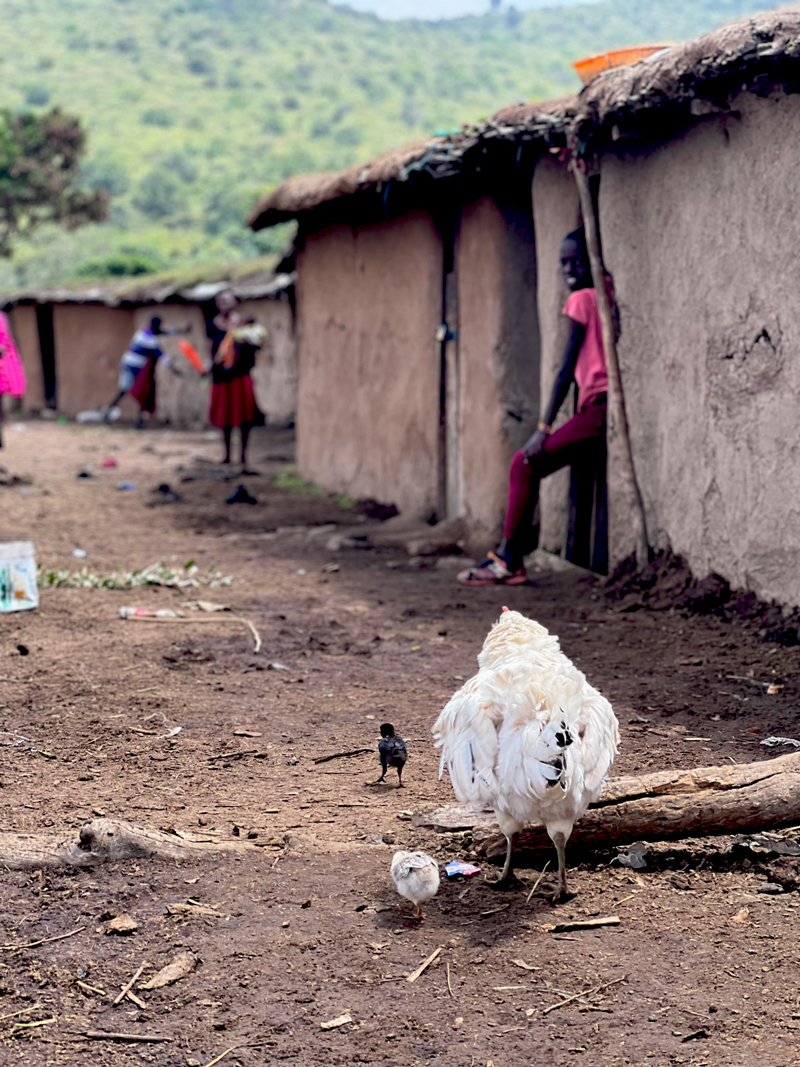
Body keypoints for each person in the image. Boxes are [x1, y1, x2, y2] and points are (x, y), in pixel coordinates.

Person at [458, 228, 614, 587]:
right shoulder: (604, 292)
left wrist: (543, 429)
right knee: (527, 465)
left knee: (523, 462)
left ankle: (508, 560)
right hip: (595, 408)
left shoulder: (580, 300)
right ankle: (508, 555)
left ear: (593, 260)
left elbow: (563, 369)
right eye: (563, 263)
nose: (570, 269)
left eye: (578, 261)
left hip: (597, 410)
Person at [205, 292, 264, 466]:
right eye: (221, 301)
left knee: (245, 417)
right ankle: (227, 455)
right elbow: (210, 349)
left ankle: (243, 456)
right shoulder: (212, 325)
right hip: (222, 377)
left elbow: (258, 343)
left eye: (227, 301)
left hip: (241, 374)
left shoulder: (244, 325)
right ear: (217, 304)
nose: (224, 304)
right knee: (225, 418)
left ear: (234, 303)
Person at [106, 316, 186, 427]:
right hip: (131, 366)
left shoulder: (144, 333)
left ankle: (139, 421)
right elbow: (161, 354)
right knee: (125, 390)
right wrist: (174, 369)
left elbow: (163, 332)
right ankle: (108, 413)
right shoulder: (148, 338)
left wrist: (180, 331)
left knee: (143, 392)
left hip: (139, 367)